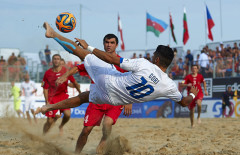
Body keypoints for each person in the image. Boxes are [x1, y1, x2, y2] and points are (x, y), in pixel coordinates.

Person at [35, 22, 199, 125]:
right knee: (85, 97)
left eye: (153, 55)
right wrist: (192, 95)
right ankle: (49, 107)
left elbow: (111, 59)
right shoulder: (169, 85)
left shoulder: (144, 64)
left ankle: (53, 34)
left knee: (82, 53)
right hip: (113, 100)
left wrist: (89, 47)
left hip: (108, 83)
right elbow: (184, 102)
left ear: (156, 58)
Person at [58, 33, 132, 154]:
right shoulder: (96, 59)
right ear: (103, 44)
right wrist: (65, 75)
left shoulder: (121, 62)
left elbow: (130, 82)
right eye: (107, 42)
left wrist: (129, 102)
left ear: (116, 45)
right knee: (86, 130)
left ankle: (102, 146)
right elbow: (79, 67)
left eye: (112, 43)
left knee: (107, 124)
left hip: (114, 101)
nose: (109, 45)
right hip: (97, 100)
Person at [42, 54, 81, 135]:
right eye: (54, 59)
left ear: (60, 61)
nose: (56, 60)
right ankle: (43, 135)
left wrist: (80, 93)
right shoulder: (47, 73)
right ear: (52, 61)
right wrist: (47, 101)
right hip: (52, 98)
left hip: (63, 96)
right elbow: (45, 88)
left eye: (58, 59)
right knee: (49, 121)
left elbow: (75, 83)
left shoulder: (66, 71)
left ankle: (61, 126)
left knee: (67, 115)